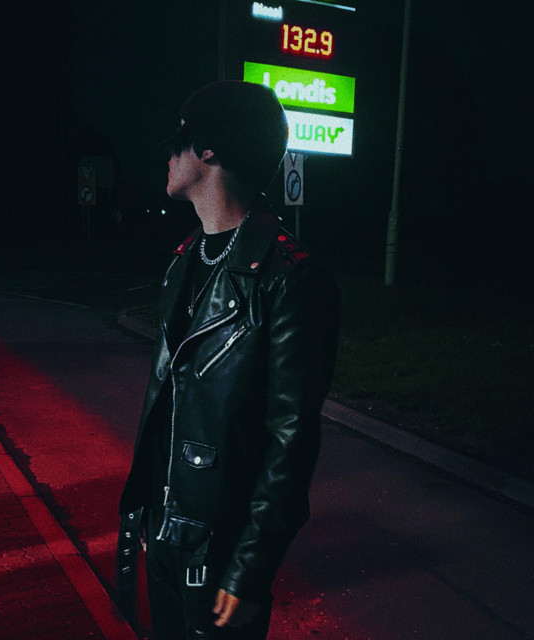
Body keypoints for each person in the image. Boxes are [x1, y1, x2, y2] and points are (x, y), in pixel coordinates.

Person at [118, 80, 340, 639]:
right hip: (163, 537)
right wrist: (145, 515)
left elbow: (291, 443)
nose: (169, 154)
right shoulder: (184, 260)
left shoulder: (290, 279)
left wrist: (250, 570)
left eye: (179, 140)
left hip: (220, 556)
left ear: (210, 149)